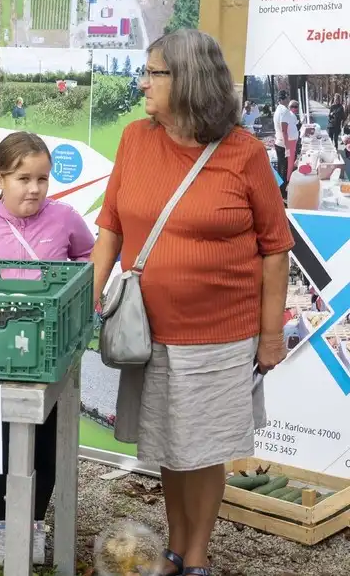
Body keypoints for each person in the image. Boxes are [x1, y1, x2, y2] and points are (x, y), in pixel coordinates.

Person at [91, 29, 292, 576]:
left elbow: (276, 250)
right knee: (169, 447)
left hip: (220, 334)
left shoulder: (243, 153)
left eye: (154, 72)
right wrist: (94, 299)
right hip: (147, 331)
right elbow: (109, 225)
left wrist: (270, 336)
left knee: (202, 451)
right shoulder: (135, 139)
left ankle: (195, 558)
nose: (143, 83)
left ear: (188, 81)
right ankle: (176, 549)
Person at [0, 132, 94, 568]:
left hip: (49, 355)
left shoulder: (66, 218)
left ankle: (32, 524)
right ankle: (0, 523)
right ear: (0, 177)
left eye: (43, 179)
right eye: (23, 178)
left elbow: (90, 260)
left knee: (45, 444)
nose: (34, 188)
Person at [273, 92, 298, 183]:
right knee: (285, 169)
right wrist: (287, 147)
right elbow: (284, 130)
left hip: (279, 142)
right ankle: (283, 191)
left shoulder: (278, 110)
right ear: (285, 99)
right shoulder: (284, 111)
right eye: (287, 98)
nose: (288, 100)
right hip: (284, 144)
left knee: (281, 168)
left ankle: (280, 188)